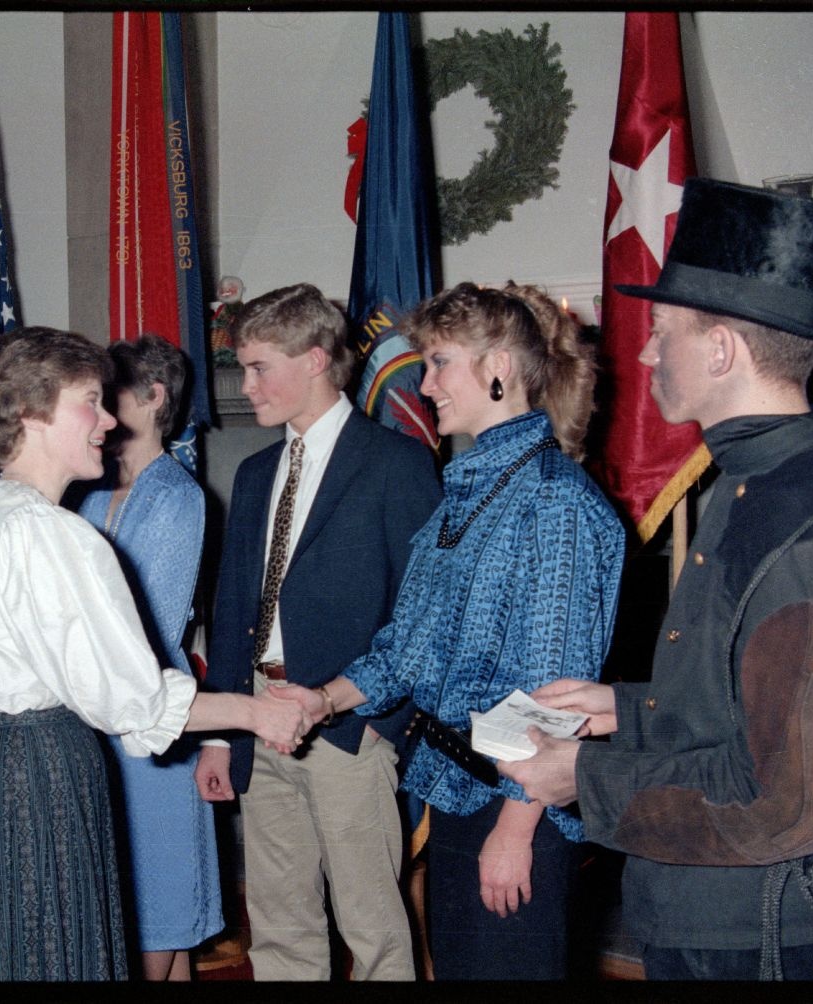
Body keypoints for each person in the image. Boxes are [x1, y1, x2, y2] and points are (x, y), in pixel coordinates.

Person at [499, 178, 813, 981]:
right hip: (726, 916)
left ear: (721, 351)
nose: (645, 351)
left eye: (663, 330)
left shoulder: (806, 521)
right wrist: (628, 709)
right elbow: (751, 705)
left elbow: (788, 801)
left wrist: (585, 777)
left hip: (771, 937)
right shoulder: (756, 481)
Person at [0, 326, 315, 982]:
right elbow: (137, 702)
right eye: (90, 403)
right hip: (33, 776)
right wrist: (257, 713)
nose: (107, 420)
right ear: (30, 413)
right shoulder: (52, 535)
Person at [290, 282, 625, 979]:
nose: (426, 381)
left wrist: (514, 826)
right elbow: (406, 650)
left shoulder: (552, 502)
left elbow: (552, 696)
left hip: (511, 806)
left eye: (440, 361)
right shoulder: (467, 490)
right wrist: (323, 701)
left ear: (497, 367)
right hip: (452, 788)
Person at [196, 283, 440, 981]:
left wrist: (374, 725)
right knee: (277, 921)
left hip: (347, 727)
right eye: (241, 367)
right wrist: (221, 732)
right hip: (258, 716)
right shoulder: (253, 473)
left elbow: (420, 614)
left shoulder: (396, 464)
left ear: (314, 359)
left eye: (258, 367)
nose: (245, 386)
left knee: (373, 926)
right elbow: (231, 603)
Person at [77, 334, 220, 980]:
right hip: (92, 717)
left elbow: (150, 624)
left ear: (154, 398)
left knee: (157, 904)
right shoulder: (88, 492)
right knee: (135, 906)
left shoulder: (179, 496)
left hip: (149, 725)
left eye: (111, 394)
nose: (100, 411)